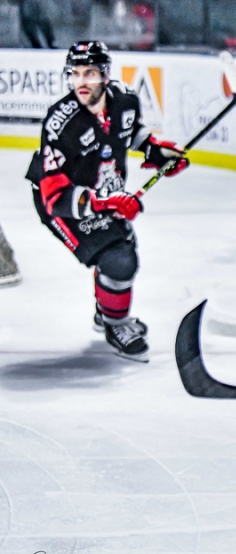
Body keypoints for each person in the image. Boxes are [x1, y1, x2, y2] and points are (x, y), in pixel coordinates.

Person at [24, 40, 188, 362]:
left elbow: (132, 132)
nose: (81, 82)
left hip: (102, 194)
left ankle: (106, 311)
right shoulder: (60, 123)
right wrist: (104, 204)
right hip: (63, 205)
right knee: (118, 259)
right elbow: (54, 195)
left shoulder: (125, 100)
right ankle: (115, 323)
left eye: (90, 73)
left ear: (105, 75)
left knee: (120, 247)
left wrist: (156, 152)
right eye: (75, 74)